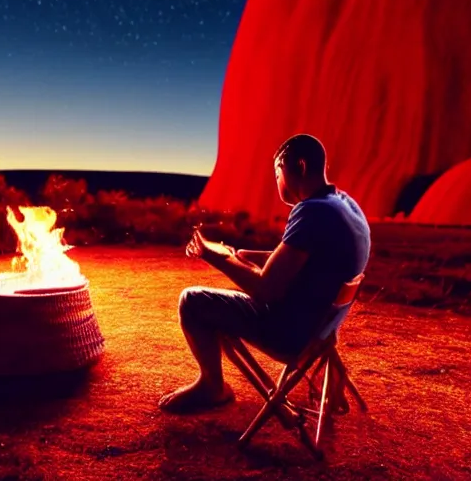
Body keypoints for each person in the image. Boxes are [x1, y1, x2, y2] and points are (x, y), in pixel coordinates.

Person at [159, 133, 371, 413]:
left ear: (301, 167)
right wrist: (240, 254)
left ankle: (212, 387)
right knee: (229, 284)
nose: (278, 182)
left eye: (278, 174)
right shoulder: (345, 205)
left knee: (193, 301)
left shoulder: (311, 211)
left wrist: (211, 255)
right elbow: (309, 260)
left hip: (291, 335)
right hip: (322, 330)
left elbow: (265, 290)